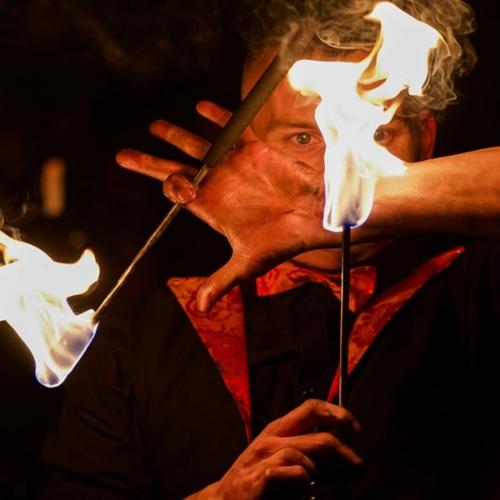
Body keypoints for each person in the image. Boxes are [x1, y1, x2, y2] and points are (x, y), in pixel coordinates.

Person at [42, 2, 500, 499]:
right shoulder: (141, 340)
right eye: (303, 137)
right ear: (244, 149)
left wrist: (336, 205)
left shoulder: (479, 288)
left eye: (375, 132)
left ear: (425, 137)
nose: (331, 166)